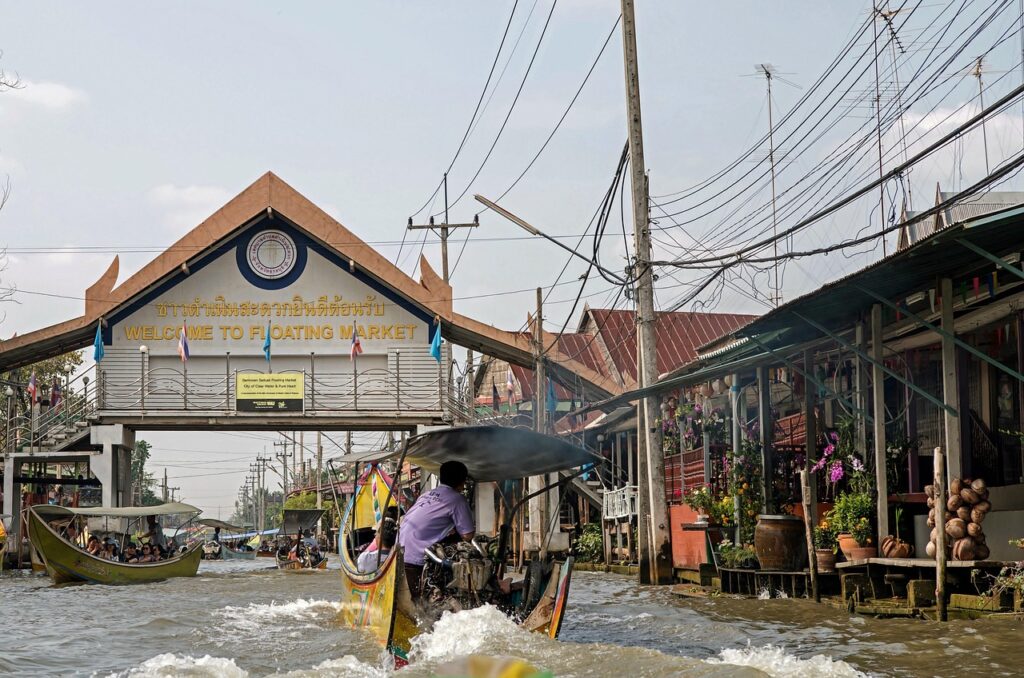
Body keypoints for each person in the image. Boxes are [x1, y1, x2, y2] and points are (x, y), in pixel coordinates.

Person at [397, 461, 475, 599]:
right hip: (418, 560)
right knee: (423, 605)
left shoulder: (426, 495)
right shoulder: (458, 500)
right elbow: (468, 535)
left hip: (398, 555)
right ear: (462, 481)